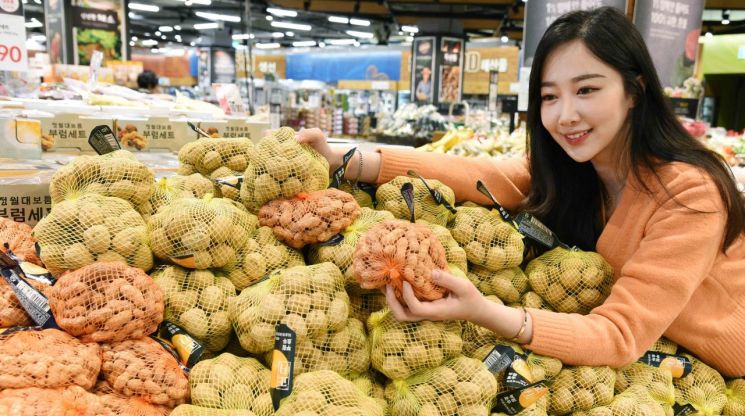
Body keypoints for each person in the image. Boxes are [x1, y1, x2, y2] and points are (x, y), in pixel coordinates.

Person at [297, 7, 745, 377]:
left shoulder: (691, 194)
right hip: (655, 349)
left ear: (635, 90)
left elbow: (621, 334)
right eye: (549, 97)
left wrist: (487, 312)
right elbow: (486, 176)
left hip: (717, 365)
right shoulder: (578, 167)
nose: (565, 114)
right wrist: (349, 158)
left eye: (586, 89)